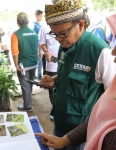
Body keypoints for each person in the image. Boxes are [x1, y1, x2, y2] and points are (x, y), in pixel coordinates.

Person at [38, 0, 116, 150]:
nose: (58, 40)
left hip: (82, 135)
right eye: (55, 34)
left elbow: (111, 100)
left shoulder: (100, 52)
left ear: (80, 24)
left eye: (62, 34)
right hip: (60, 126)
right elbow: (69, 76)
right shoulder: (64, 46)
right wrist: (54, 80)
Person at [11, 12, 38, 111]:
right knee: (30, 82)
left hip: (23, 65)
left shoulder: (16, 34)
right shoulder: (34, 33)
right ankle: (28, 100)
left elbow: (15, 52)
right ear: (28, 22)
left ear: (18, 23)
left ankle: (27, 106)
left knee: (25, 85)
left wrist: (16, 65)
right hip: (34, 63)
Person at [39, 24, 59, 120]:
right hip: (52, 63)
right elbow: (42, 43)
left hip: (65, 61)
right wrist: (46, 52)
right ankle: (54, 111)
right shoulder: (45, 28)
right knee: (51, 88)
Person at [33, 9, 43, 81]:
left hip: (41, 47)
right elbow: (35, 38)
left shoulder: (40, 25)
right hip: (37, 47)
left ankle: (39, 75)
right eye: (40, 16)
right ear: (36, 16)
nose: (41, 17)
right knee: (39, 62)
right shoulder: (34, 26)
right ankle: (38, 75)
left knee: (40, 62)